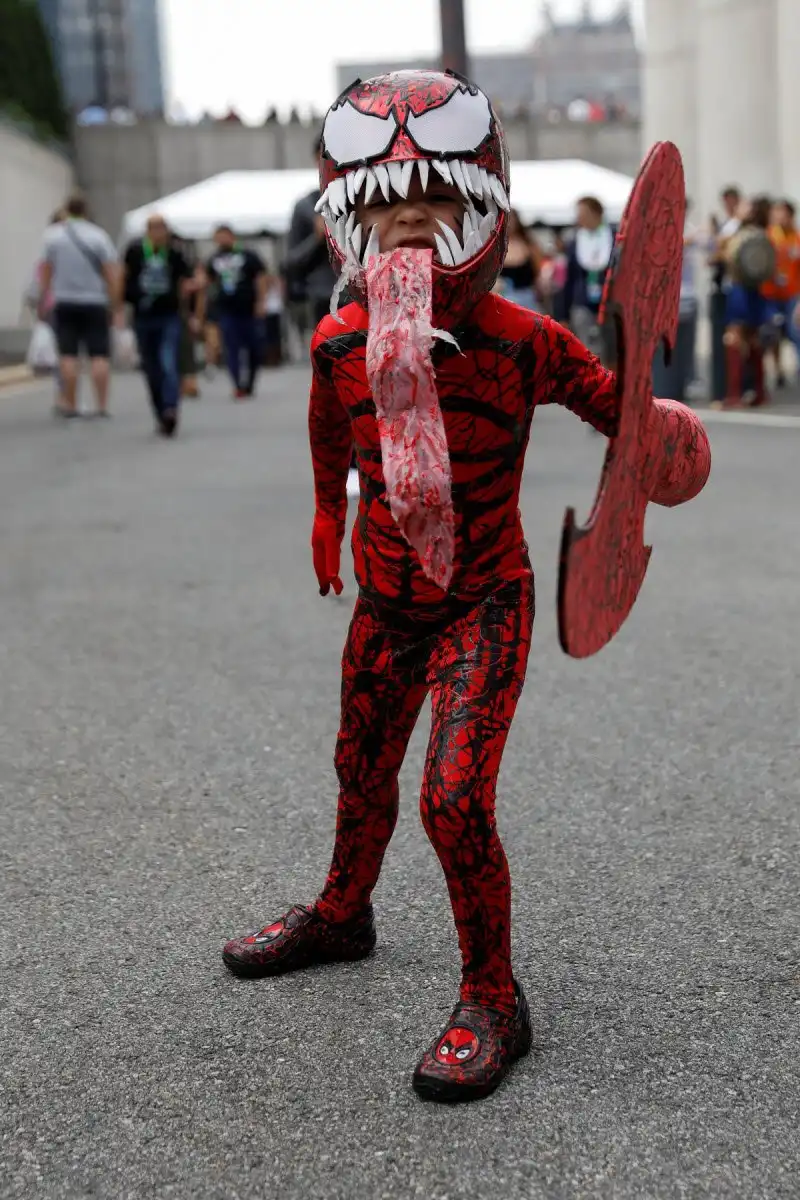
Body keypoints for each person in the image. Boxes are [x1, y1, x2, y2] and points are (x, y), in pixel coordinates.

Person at [222, 70, 710, 1104]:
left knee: (451, 798)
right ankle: (343, 913)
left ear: (482, 209)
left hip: (485, 600)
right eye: (386, 204)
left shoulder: (522, 341)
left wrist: (667, 442)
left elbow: (616, 410)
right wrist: (326, 514)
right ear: (347, 220)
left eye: (437, 198)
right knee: (360, 767)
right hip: (384, 600)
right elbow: (330, 429)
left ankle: (495, 994)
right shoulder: (339, 340)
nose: (411, 219)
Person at [39, 192, 121, 419]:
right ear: (86, 211)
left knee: (68, 354)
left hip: (65, 300)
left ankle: (71, 404)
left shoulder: (53, 237)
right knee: (99, 354)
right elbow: (110, 272)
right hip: (95, 301)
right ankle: (101, 405)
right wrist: (115, 303)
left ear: (66, 209)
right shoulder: (99, 236)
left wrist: (44, 298)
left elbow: (46, 270)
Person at [122, 215, 193, 437]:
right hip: (143, 316)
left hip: (168, 315)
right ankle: (160, 411)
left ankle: (171, 408)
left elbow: (186, 281)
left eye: (162, 229)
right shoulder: (135, 251)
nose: (158, 234)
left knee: (167, 361)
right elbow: (123, 277)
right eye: (154, 229)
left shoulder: (174, 253)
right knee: (151, 367)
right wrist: (118, 308)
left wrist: (191, 310)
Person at [203, 226, 267, 399]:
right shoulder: (214, 259)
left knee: (254, 348)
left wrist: (261, 302)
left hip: (248, 309)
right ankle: (238, 384)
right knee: (231, 348)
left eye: (224, 236)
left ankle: (250, 382)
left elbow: (260, 277)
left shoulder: (248, 255)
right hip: (226, 311)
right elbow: (208, 282)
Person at [284, 136, 338, 340]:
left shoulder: (365, 197)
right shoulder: (305, 207)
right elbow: (291, 260)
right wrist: (317, 238)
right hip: (322, 300)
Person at [563, 195, 617, 366]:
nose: (580, 218)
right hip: (583, 302)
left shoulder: (614, 237)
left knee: (612, 349)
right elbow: (569, 277)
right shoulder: (575, 240)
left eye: (584, 213)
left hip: (610, 302)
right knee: (589, 349)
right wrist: (563, 312)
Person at [762, 199, 800, 387]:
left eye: (782, 212)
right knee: (773, 333)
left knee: (795, 331)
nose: (779, 216)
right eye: (776, 212)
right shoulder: (769, 236)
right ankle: (778, 370)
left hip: (792, 295)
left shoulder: (796, 238)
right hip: (771, 294)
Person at [496, 209, 542, 309]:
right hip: (503, 297)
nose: (509, 223)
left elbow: (538, 270)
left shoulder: (529, 244)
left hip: (527, 297)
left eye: (511, 219)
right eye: (506, 219)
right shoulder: (496, 245)